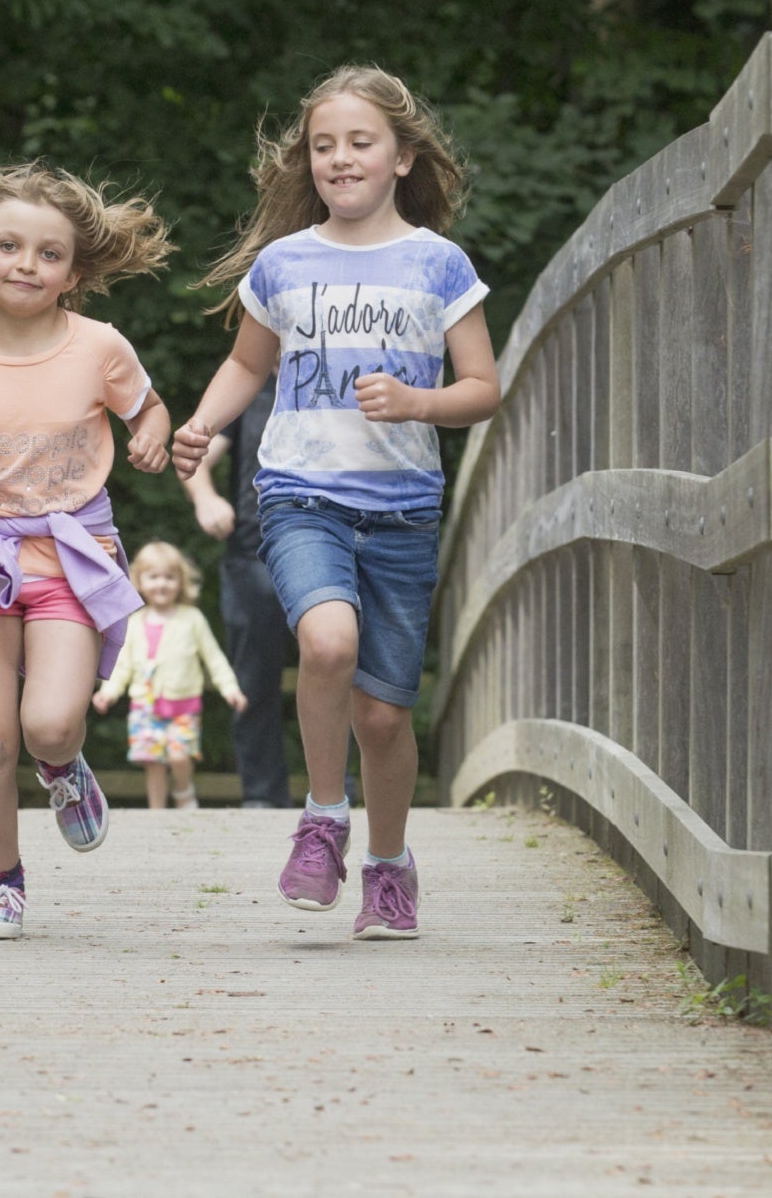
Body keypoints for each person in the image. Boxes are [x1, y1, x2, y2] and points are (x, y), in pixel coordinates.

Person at [173, 65, 500, 941]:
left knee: (384, 716)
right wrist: (202, 427)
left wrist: (420, 404)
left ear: (401, 157)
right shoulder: (285, 263)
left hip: (401, 509)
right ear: (306, 162)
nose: (340, 159)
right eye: (324, 146)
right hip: (299, 494)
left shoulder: (439, 263)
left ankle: (389, 872)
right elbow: (248, 365)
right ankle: (323, 817)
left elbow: (483, 387)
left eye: (360, 143)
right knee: (326, 640)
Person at [0, 162, 175, 940]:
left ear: (74, 272)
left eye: (48, 254)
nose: (26, 264)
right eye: (8, 246)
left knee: (48, 724)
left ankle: (62, 766)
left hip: (74, 552)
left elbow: (149, 408)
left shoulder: (99, 346)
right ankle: (0, 882)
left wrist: (150, 434)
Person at [176, 382, 295, 807]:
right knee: (252, 681)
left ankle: (347, 793)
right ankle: (262, 797)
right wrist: (206, 499)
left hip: (336, 545)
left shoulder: (343, 376)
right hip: (252, 551)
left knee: (344, 668)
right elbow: (195, 457)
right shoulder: (251, 385)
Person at [94, 542, 247, 810]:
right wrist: (108, 693)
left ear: (181, 581)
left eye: (169, 577)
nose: (161, 584)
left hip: (182, 706)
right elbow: (122, 666)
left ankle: (183, 790)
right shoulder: (134, 621)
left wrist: (230, 689)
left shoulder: (193, 618)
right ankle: (157, 813)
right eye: (153, 577)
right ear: (139, 580)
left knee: (179, 756)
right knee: (152, 763)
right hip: (145, 707)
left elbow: (214, 658)